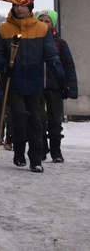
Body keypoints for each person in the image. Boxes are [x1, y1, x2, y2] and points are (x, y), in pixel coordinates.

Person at [0, 0, 64, 173]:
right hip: (13, 81)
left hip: (35, 82)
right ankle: (19, 152)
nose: (19, 8)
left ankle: (36, 159)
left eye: (22, 5)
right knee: (19, 117)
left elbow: (51, 54)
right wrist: (4, 65)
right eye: (16, 5)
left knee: (36, 120)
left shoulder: (42, 29)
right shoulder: (3, 29)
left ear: (30, 7)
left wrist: (61, 78)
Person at [36, 9, 77, 163]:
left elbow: (68, 65)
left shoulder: (60, 43)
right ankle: (41, 148)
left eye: (47, 21)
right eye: (41, 20)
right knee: (38, 119)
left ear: (52, 24)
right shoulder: (33, 40)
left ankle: (56, 151)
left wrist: (69, 86)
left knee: (55, 120)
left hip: (55, 87)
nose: (44, 24)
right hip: (36, 86)